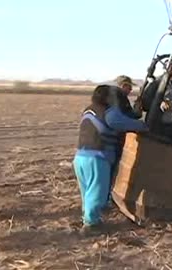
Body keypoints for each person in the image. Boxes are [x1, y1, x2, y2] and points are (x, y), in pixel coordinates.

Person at [73, 85, 148, 236]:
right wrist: (144, 126)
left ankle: (89, 218)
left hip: (80, 157)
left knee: (87, 191)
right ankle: (91, 225)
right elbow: (125, 123)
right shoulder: (109, 112)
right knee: (97, 192)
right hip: (97, 158)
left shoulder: (88, 109)